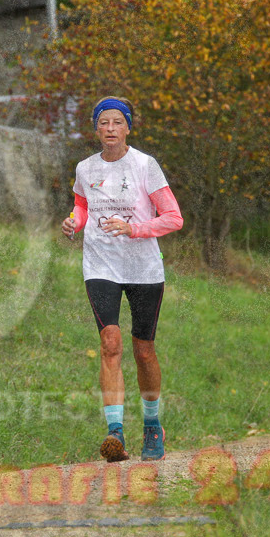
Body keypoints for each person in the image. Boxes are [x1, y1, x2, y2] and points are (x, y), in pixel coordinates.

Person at [61, 96, 183, 462]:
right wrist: (73, 221)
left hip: (143, 267)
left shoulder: (145, 165)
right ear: (95, 128)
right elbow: (83, 206)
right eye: (103, 123)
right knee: (110, 342)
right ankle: (115, 433)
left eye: (117, 123)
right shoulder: (85, 168)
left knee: (143, 349)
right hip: (100, 265)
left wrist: (134, 229)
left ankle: (151, 425)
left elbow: (173, 218)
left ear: (128, 127)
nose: (110, 129)